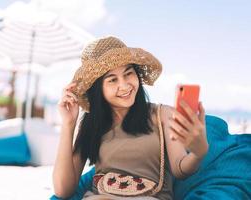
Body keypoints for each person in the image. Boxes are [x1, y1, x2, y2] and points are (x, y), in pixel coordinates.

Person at [52, 36, 209, 199]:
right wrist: (68, 124)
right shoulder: (92, 125)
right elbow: (63, 190)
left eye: (128, 73)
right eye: (112, 80)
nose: (125, 85)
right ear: (99, 90)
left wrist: (198, 152)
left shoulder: (162, 114)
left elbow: (180, 169)